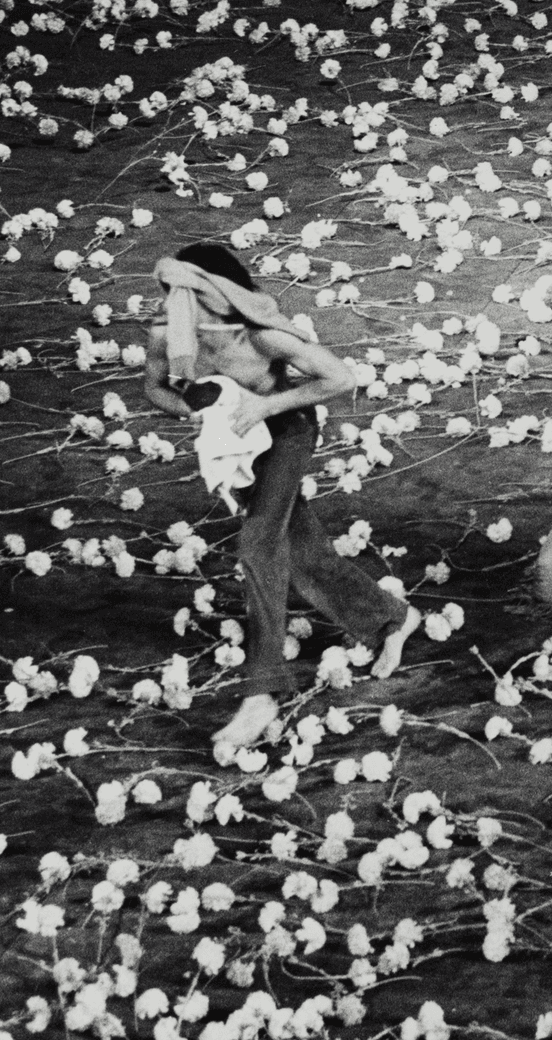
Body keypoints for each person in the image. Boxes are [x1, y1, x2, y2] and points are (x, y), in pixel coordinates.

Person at [143, 243, 420, 749]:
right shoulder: (166, 335)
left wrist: (266, 405)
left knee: (259, 545)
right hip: (234, 444)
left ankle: (262, 691)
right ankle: (390, 618)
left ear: (223, 298)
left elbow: (340, 377)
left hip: (287, 433)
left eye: (191, 299)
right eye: (172, 298)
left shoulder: (261, 336)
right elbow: (154, 388)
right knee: (302, 551)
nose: (178, 310)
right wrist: (193, 410)